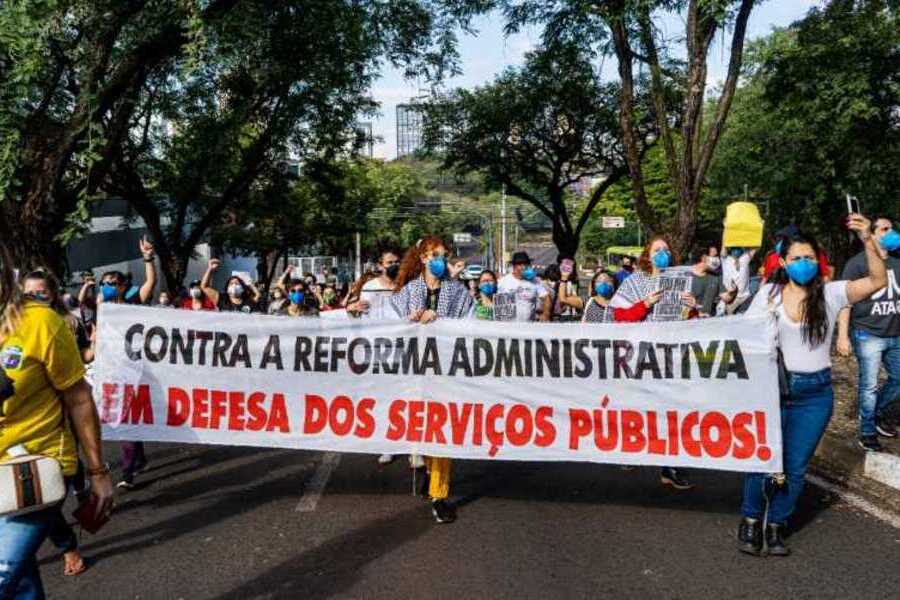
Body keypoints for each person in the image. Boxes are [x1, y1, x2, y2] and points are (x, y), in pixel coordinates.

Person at [737, 215, 887, 557]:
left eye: (809, 258)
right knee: (764, 460)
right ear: (784, 262)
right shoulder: (769, 295)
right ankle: (750, 520)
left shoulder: (832, 294)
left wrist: (867, 239)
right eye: (796, 258)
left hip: (815, 394)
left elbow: (877, 280)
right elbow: (743, 338)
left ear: (817, 261)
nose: (803, 264)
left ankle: (776, 525)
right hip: (773, 389)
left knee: (796, 465)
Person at [0, 245, 115, 598]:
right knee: (20, 585)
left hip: (31, 474)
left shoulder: (41, 323)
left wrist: (97, 473)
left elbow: (79, 398)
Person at [391, 236, 474, 523]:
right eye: (435, 255)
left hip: (446, 370)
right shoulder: (406, 292)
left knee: (443, 430)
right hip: (414, 370)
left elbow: (471, 325)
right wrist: (408, 321)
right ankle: (428, 470)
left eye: (444, 256)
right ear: (423, 258)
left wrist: (440, 321)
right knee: (421, 428)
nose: (441, 260)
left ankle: (440, 494)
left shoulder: (459, 292)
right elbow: (388, 324)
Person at [610, 236, 698, 490]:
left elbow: (689, 322)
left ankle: (670, 467)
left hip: (671, 356)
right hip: (641, 357)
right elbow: (620, 317)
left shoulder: (680, 283)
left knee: (671, 411)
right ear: (647, 255)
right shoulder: (635, 282)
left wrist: (691, 308)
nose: (663, 254)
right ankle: (632, 449)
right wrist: (646, 303)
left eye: (666, 250)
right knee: (639, 407)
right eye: (657, 250)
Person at [20, 270, 91, 577]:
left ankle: (68, 541)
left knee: (43, 499)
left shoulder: (64, 323)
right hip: (11, 442)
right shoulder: (11, 327)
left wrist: (96, 349)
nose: (34, 299)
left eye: (41, 293)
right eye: (28, 293)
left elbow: (78, 389)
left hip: (54, 425)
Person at [94, 238, 157, 489]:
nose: (109, 286)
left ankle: (128, 471)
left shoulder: (132, 305)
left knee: (129, 419)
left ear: (123, 287)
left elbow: (150, 283)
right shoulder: (100, 310)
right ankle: (136, 460)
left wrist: (148, 258)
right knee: (124, 420)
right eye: (105, 283)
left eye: (113, 283)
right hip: (111, 373)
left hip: (136, 371)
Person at [836, 216, 900, 451]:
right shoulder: (857, 264)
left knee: (898, 379)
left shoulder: (897, 260)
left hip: (896, 334)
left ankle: (877, 413)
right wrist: (843, 336)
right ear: (871, 235)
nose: (891, 232)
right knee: (869, 386)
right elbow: (845, 302)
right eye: (885, 229)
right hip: (868, 334)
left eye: (892, 228)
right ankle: (867, 431)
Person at [496, 251, 551, 322]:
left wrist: (546, 313)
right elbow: (498, 305)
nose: (524, 267)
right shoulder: (503, 282)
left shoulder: (535, 281)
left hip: (528, 326)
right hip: (509, 327)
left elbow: (546, 298)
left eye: (526, 264)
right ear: (514, 266)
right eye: (520, 264)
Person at [689, 249, 735, 317]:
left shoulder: (716, 277)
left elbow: (726, 297)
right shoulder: (684, 276)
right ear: (704, 258)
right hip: (686, 323)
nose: (715, 259)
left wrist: (733, 291)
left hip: (707, 321)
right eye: (710, 256)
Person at [719, 246, 757, 314]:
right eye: (734, 249)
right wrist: (726, 240)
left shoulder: (744, 258)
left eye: (738, 249)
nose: (736, 251)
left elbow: (755, 248)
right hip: (731, 299)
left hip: (745, 297)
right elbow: (723, 249)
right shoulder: (726, 259)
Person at [553, 255, 581, 322]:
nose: (568, 267)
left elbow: (575, 294)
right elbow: (560, 298)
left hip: (572, 315)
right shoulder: (559, 282)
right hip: (561, 315)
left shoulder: (574, 281)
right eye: (565, 265)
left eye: (571, 266)